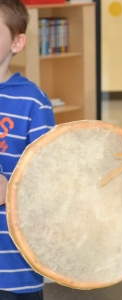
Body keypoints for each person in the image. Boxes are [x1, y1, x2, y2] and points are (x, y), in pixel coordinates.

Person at [0, 0, 55, 298]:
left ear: (17, 42)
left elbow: (47, 181)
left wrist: (10, 189)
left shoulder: (33, 102)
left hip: (13, 269)